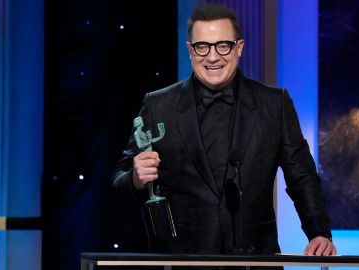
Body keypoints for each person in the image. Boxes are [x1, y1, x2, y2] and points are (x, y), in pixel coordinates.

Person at [113, 4, 336, 256]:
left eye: (223, 45)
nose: (212, 57)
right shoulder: (158, 105)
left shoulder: (274, 104)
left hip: (254, 257)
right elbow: (119, 179)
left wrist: (319, 232)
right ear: (190, 51)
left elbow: (301, 176)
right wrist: (135, 177)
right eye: (202, 47)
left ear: (239, 48)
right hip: (182, 259)